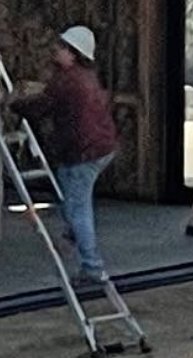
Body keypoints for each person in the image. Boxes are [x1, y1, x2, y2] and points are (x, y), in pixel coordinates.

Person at [10, 24, 118, 290]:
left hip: (83, 151)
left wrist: (14, 104)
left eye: (61, 48)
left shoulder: (67, 81)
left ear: (73, 53)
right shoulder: (85, 76)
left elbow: (42, 107)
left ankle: (91, 266)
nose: (56, 51)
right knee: (71, 193)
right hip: (98, 147)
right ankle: (72, 235)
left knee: (78, 206)